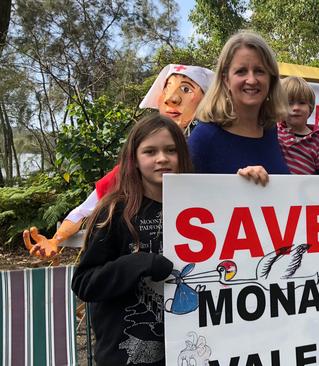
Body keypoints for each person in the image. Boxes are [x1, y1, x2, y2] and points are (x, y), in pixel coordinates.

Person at [23, 64, 214, 259]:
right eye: (168, 87)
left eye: (186, 89)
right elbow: (85, 210)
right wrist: (55, 240)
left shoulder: (210, 153)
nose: (171, 98)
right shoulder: (130, 168)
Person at [71, 113, 192, 365]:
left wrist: (252, 182)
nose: (162, 159)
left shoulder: (202, 206)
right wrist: (137, 263)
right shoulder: (114, 211)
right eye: (150, 152)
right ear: (134, 159)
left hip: (188, 350)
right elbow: (84, 283)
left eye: (171, 150)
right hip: (125, 353)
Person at [188, 31, 290, 185]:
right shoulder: (204, 138)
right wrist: (238, 188)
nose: (251, 80)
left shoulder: (271, 131)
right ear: (226, 80)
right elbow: (183, 198)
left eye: (259, 71)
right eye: (241, 71)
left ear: (271, 79)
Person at [276, 76, 319, 175]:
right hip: (278, 188)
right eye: (290, 103)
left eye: (302, 103)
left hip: (306, 189)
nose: (296, 108)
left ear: (310, 108)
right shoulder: (275, 132)